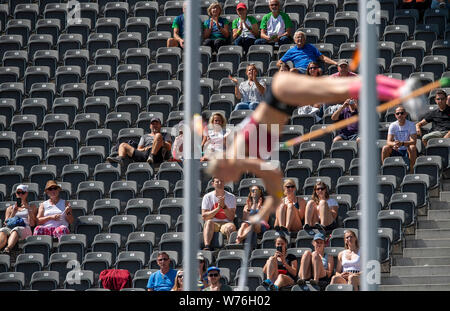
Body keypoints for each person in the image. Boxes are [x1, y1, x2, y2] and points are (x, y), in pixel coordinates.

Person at [207, 72, 416, 228]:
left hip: (280, 94)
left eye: (224, 175)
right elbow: (273, 178)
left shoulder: (236, 150)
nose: (229, 179)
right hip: (282, 102)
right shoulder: (243, 159)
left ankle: (398, 88)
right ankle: (399, 88)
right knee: (336, 89)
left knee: (336, 89)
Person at [107, 117, 172, 169]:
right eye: (153, 124)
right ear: (150, 126)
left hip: (158, 154)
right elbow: (139, 149)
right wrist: (145, 148)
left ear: (160, 125)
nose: (154, 125)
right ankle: (119, 158)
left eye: (156, 123)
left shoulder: (165, 135)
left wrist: (161, 142)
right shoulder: (144, 136)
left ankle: (151, 156)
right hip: (146, 153)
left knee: (158, 135)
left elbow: (169, 147)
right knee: (123, 145)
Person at [201, 176, 236, 251]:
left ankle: (230, 249)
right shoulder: (207, 197)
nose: (220, 183)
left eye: (222, 181)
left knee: (230, 227)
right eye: (217, 182)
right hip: (213, 223)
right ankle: (207, 246)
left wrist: (224, 207)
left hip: (226, 223)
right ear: (213, 184)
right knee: (208, 222)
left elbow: (231, 218)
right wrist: (218, 209)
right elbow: (204, 217)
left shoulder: (231, 197)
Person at [0, 185, 37, 254]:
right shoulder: (10, 208)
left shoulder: (32, 207)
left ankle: (8, 249)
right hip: (11, 227)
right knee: (2, 231)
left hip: (25, 227)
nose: (20, 195)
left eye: (22, 193)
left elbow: (32, 224)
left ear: (26, 194)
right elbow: (6, 223)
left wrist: (28, 209)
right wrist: (14, 212)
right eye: (18, 193)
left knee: (16, 230)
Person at [382, 105, 417, 173]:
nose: (400, 115)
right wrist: (394, 144)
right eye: (398, 113)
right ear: (395, 115)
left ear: (405, 114)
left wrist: (402, 143)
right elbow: (388, 141)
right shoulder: (393, 125)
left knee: (412, 147)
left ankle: (412, 171)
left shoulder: (411, 124)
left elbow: (413, 141)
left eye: (402, 113)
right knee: (385, 148)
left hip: (407, 149)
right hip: (397, 149)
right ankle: (384, 170)